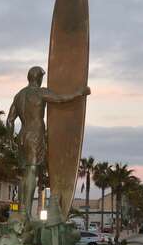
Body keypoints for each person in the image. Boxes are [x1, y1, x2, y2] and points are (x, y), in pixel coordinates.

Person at [6, 65, 90, 219]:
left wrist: (10, 138)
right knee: (32, 170)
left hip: (22, 135)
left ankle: (23, 209)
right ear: (39, 78)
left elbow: (10, 120)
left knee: (26, 173)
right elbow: (60, 99)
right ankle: (25, 213)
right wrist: (80, 93)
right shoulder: (39, 92)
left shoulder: (19, 95)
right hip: (35, 134)